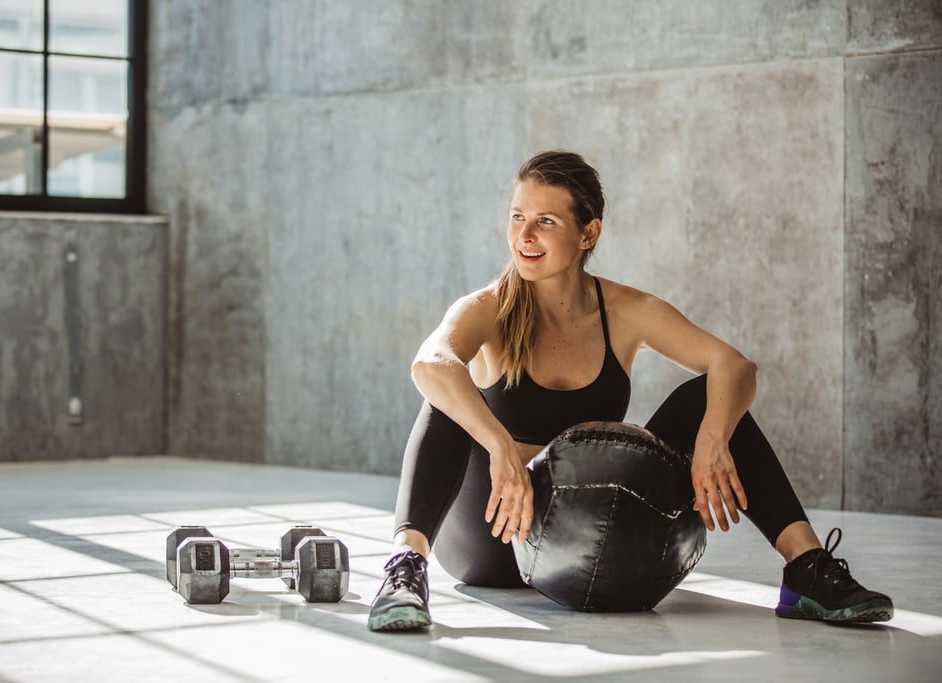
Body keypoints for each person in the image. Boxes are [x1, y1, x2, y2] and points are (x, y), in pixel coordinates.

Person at [366, 150, 893, 632]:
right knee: (448, 397)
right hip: (497, 539)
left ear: (588, 233)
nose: (525, 235)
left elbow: (734, 365)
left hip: (594, 540)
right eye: (517, 217)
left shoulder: (625, 311)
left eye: (546, 221)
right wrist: (499, 443)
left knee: (706, 397)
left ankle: (805, 568)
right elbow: (429, 362)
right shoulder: (489, 307)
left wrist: (712, 438)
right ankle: (405, 567)